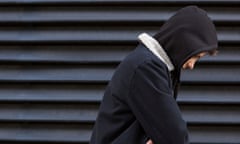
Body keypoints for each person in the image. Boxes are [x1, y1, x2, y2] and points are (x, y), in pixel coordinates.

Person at [90, 6, 218, 144]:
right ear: (184, 43)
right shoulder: (146, 68)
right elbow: (175, 137)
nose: (192, 65)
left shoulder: (153, 66)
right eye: (195, 56)